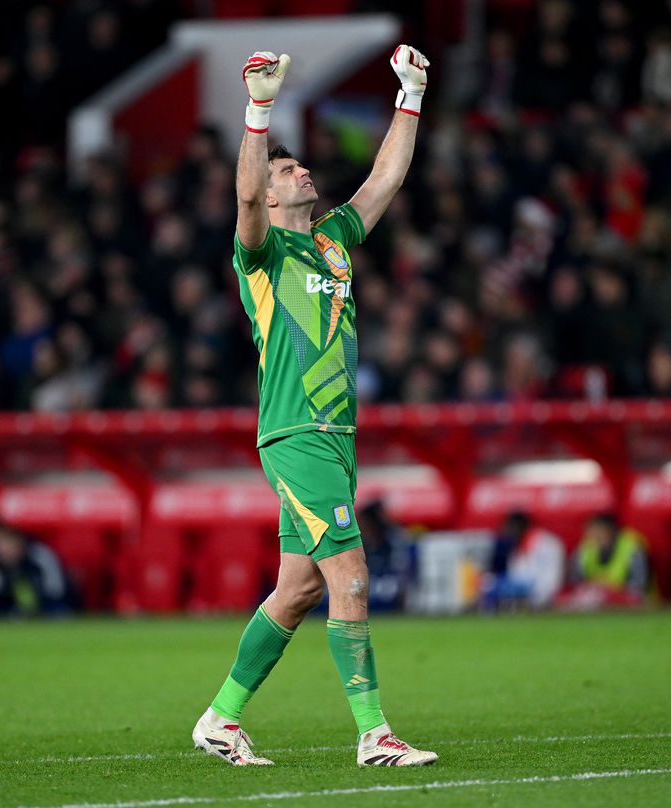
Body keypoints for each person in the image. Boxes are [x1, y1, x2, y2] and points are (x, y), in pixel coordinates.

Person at [192, 46, 438, 767]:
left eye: (300, 166)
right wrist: (258, 113)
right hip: (296, 433)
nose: (303, 171)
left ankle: (221, 719)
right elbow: (242, 197)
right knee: (351, 577)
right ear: (269, 197)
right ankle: (374, 734)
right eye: (286, 170)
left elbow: (386, 176)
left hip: (335, 439)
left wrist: (411, 95)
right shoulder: (259, 252)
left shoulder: (332, 241)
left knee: (296, 591)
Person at [480, 511, 565, 610]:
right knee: (488, 582)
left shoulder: (547, 544)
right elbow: (514, 576)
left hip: (539, 594)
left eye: (508, 528)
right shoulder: (513, 548)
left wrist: (538, 599)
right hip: (520, 593)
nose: (505, 532)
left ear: (519, 527)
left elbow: (552, 578)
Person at [563, 514, 648, 608]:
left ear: (612, 531)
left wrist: (611, 591)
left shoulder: (632, 548)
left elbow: (639, 586)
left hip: (631, 607)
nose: (595, 536)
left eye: (600, 531)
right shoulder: (584, 550)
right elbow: (574, 584)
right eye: (591, 531)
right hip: (594, 605)